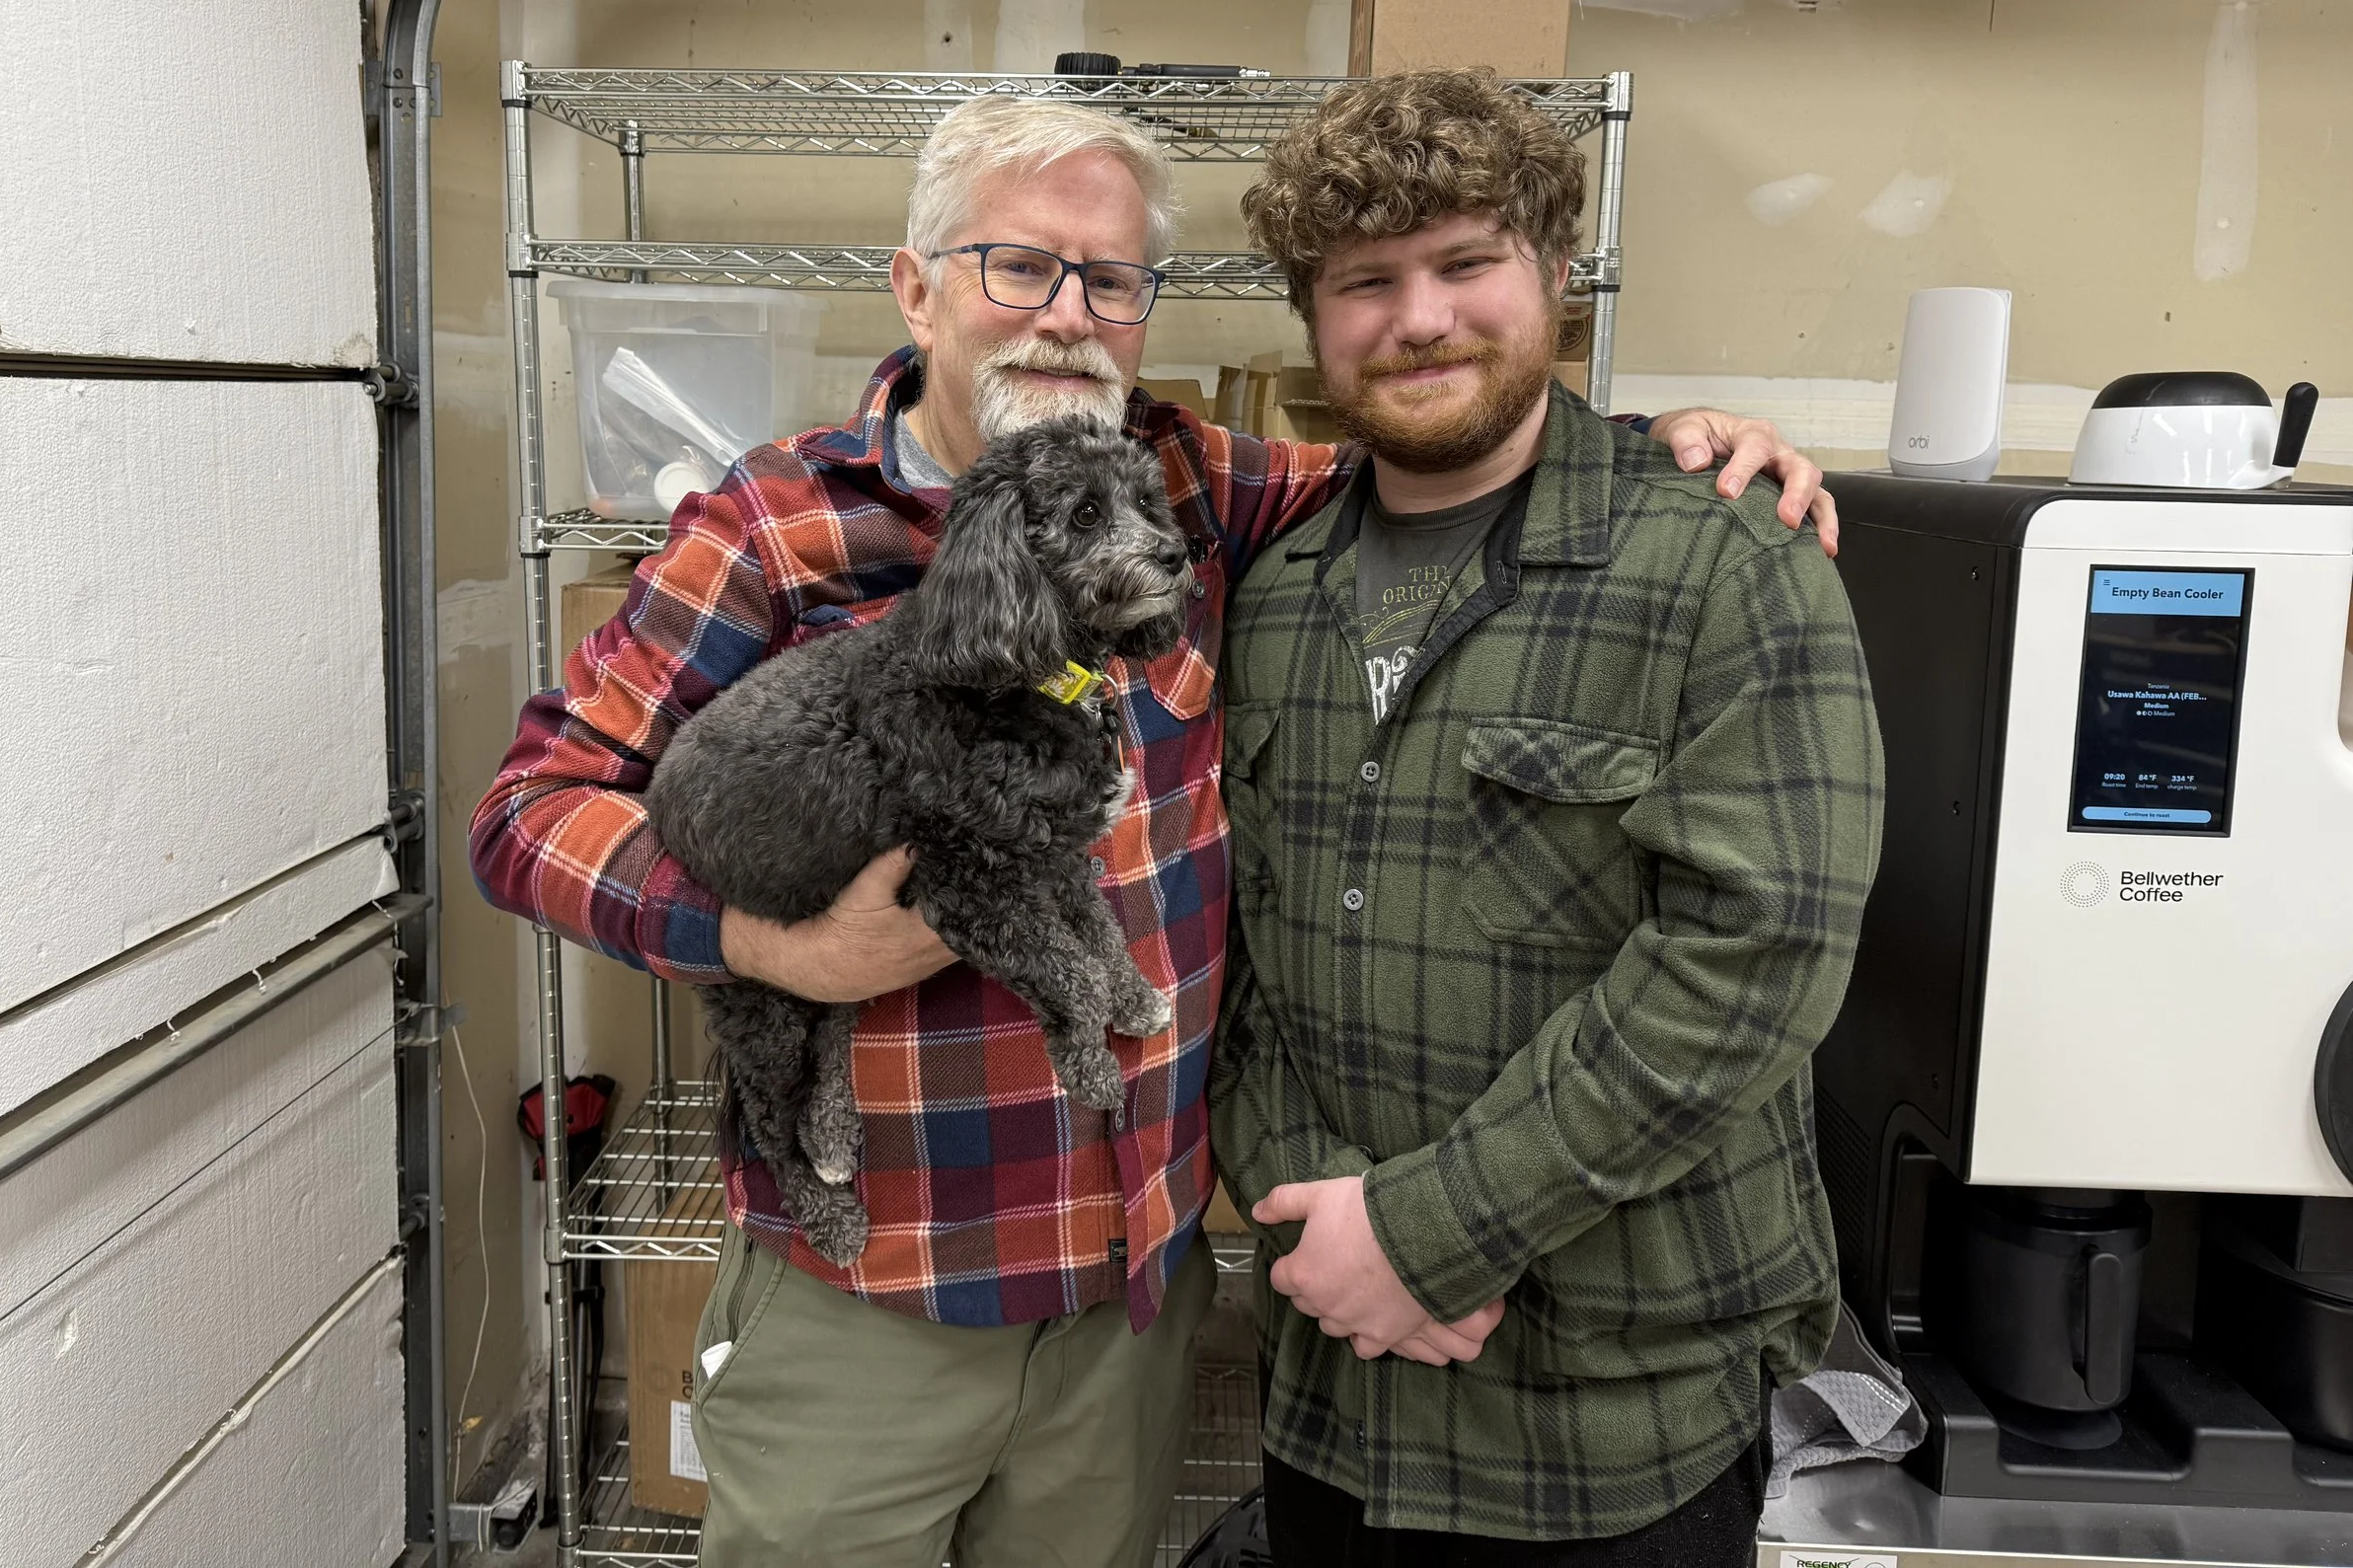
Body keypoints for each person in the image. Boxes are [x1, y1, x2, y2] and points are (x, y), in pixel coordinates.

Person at [467, 92, 1835, 1568]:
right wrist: (766, 941)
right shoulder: (774, 527)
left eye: (1110, 280)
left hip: (1127, 1291)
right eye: (1018, 266)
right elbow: (527, 811)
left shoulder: (1194, 481)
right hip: (871, 1294)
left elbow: (1440, 444)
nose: (1067, 316)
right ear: (916, 283)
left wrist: (1655, 445)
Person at [1210, 69, 1886, 1566]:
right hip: (1333, 1392)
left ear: (1554, 275)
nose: (1421, 317)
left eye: (1466, 263)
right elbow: (1235, 960)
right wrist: (1316, 1224)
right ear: (1312, 320)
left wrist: (1433, 1230)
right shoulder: (1271, 593)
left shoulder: (1727, 564)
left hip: (1609, 1422)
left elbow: (1753, 961)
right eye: (1365, 282)